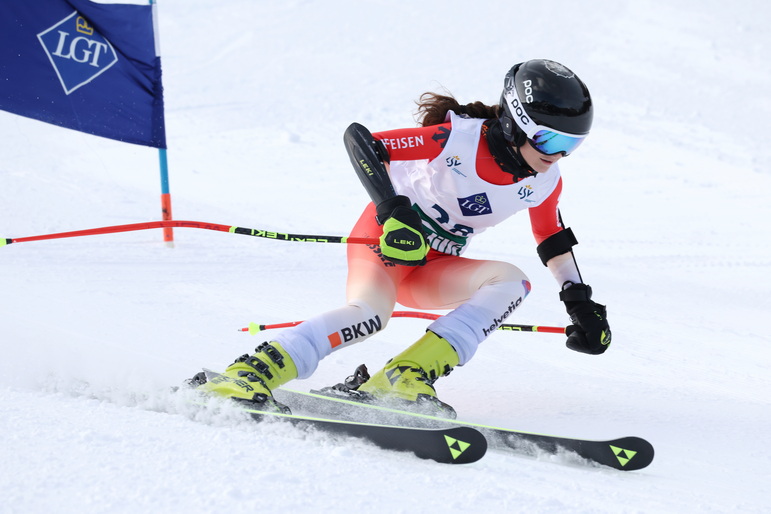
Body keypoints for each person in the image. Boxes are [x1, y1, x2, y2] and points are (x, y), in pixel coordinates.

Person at [189, 59, 612, 417]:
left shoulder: (544, 180)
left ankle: (403, 377)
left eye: (571, 145)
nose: (558, 155)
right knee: (369, 315)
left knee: (511, 282)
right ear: (515, 123)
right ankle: (252, 371)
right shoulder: (457, 139)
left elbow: (551, 237)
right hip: (385, 244)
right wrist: (394, 212)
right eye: (550, 139)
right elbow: (362, 142)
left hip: (431, 266)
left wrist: (579, 302)